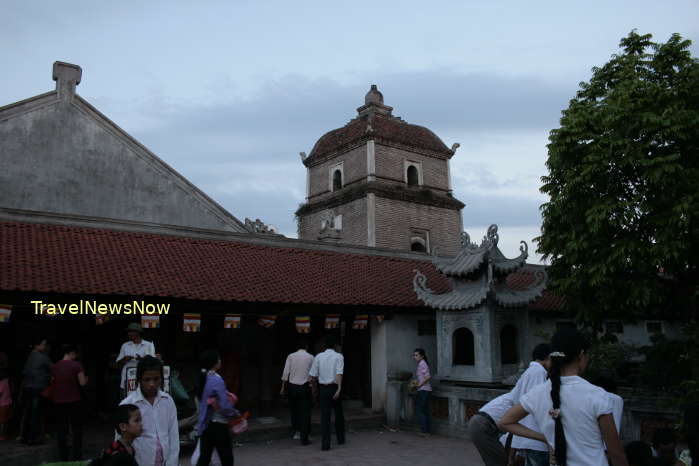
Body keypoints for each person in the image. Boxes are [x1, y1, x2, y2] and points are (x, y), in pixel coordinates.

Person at [500, 328, 629, 466]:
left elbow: (505, 422)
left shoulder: (537, 393)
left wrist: (544, 438)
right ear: (581, 354)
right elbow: (615, 453)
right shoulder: (597, 395)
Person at [120, 356, 179, 466]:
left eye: (156, 379)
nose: (151, 384)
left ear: (162, 378)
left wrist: (172, 462)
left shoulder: (168, 401)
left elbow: (174, 436)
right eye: (147, 380)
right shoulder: (127, 405)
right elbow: (121, 442)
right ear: (139, 380)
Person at [507, 343, 552, 466]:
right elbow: (538, 403)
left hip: (527, 434)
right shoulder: (538, 372)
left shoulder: (529, 372)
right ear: (548, 357)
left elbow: (515, 398)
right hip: (535, 436)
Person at [196, 349, 237, 466]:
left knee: (204, 458)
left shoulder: (203, 378)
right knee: (227, 458)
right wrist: (234, 413)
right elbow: (224, 406)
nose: (220, 360)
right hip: (218, 424)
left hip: (206, 424)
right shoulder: (216, 379)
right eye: (218, 358)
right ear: (214, 362)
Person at [309, 335, 345, 451]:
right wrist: (339, 389)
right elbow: (339, 373)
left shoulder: (318, 356)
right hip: (335, 387)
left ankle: (325, 445)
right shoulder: (339, 356)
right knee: (338, 413)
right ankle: (341, 439)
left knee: (325, 416)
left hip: (323, 389)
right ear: (335, 346)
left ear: (324, 346)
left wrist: (314, 389)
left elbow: (312, 376)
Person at [52, 344, 88, 460]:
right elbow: (82, 383)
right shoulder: (76, 365)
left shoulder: (55, 366)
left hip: (58, 401)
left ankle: (62, 456)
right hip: (74, 401)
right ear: (72, 353)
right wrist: (86, 378)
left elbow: (52, 382)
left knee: (61, 429)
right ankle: (77, 455)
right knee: (76, 429)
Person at [280, 337, 314, 445]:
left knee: (294, 410)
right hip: (305, 387)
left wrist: (282, 387)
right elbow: (312, 375)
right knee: (305, 411)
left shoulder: (291, 356)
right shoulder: (310, 357)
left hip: (292, 387)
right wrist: (314, 388)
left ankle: (297, 432)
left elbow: (286, 373)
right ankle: (305, 435)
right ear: (306, 346)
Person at [467, 391, 514, 465]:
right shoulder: (520, 400)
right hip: (483, 425)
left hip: (480, 422)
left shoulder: (513, 395)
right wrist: (511, 457)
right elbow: (514, 436)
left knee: (497, 459)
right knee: (499, 460)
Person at [21, 336, 52, 445]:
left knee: (29, 413)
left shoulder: (30, 356)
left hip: (28, 387)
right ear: (37, 345)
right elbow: (53, 369)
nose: (45, 346)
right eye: (43, 344)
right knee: (36, 413)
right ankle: (34, 438)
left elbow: (25, 371)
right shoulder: (43, 357)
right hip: (38, 388)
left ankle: (25, 437)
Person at [117, 323, 155, 399]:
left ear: (138, 332)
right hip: (127, 381)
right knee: (127, 404)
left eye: (131, 331)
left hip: (143, 381)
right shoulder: (125, 345)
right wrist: (125, 359)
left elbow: (154, 364)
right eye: (128, 332)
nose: (128, 334)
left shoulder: (148, 345)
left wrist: (142, 359)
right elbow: (118, 364)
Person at [413, 348, 432, 437]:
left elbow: (428, 377)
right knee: (424, 411)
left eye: (416, 355)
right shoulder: (421, 364)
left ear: (422, 356)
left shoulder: (422, 363)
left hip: (424, 390)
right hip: (424, 389)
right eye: (414, 355)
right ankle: (426, 431)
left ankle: (425, 431)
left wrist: (419, 385)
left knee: (420, 411)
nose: (415, 357)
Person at [0, 352, 11, 441]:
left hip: (3, 401)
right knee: (4, 420)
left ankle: (2, 435)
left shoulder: (3, 374)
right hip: (6, 400)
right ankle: (3, 435)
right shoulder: (6, 373)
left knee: (3, 420)